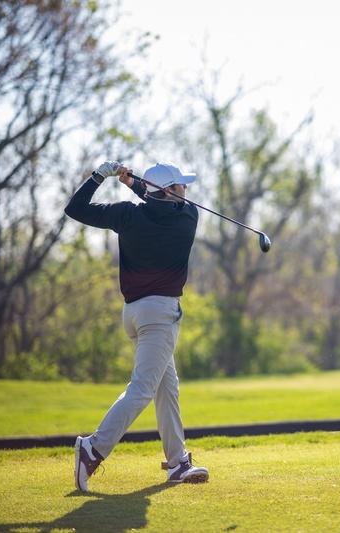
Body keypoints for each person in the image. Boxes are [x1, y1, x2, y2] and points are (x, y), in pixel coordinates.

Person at [64, 160, 209, 491]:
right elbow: (158, 204)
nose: (186, 190)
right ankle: (93, 448)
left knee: (166, 388)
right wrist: (135, 184)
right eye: (180, 186)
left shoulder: (126, 215)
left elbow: (76, 209)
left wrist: (100, 177)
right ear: (168, 192)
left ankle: (178, 463)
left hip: (133, 315)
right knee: (143, 388)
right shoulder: (188, 217)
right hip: (160, 316)